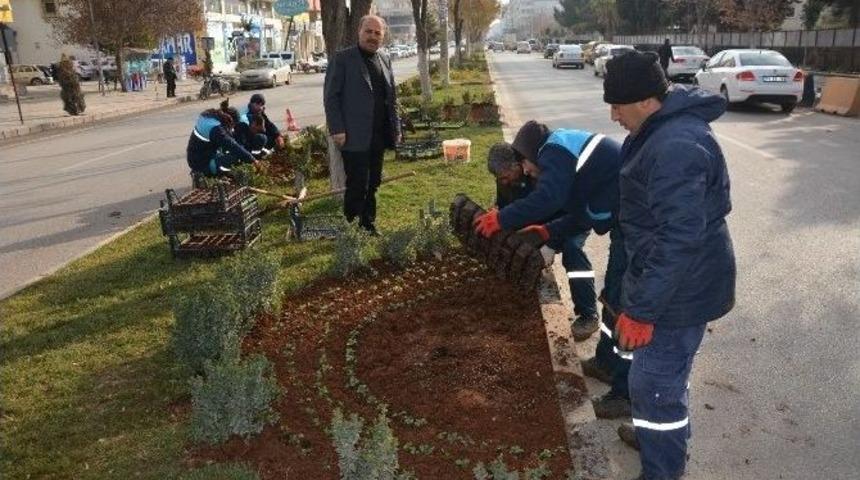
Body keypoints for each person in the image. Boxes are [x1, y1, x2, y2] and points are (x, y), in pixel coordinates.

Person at [603, 50, 736, 480]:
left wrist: (641, 310)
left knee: (655, 385)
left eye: (617, 106)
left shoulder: (676, 145)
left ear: (644, 101)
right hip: (675, 280)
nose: (613, 116)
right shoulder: (657, 131)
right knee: (664, 378)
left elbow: (678, 239)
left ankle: (663, 469)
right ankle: (657, 438)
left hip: (681, 287)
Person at [485, 140, 633, 418]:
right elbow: (579, 214)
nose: (527, 174)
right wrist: (544, 231)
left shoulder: (553, 162)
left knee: (620, 303)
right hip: (598, 221)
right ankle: (605, 362)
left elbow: (559, 205)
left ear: (523, 160)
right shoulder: (548, 164)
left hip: (629, 227)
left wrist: (548, 241)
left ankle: (625, 392)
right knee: (614, 296)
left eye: (526, 168)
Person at [324, 14, 400, 235]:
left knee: (374, 182)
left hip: (379, 134)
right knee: (358, 184)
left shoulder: (384, 59)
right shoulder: (343, 59)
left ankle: (367, 224)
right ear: (359, 31)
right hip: (353, 135)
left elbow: (391, 98)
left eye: (377, 33)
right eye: (369, 31)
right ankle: (351, 227)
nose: (373, 36)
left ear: (383, 36)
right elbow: (331, 97)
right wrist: (337, 129)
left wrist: (396, 129)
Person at [186, 108, 256, 176]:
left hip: (197, 158)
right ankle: (205, 172)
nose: (232, 129)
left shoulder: (210, 119)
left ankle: (202, 171)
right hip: (203, 163)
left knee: (229, 151)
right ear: (230, 121)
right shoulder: (216, 129)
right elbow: (232, 145)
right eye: (233, 126)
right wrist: (253, 160)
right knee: (236, 156)